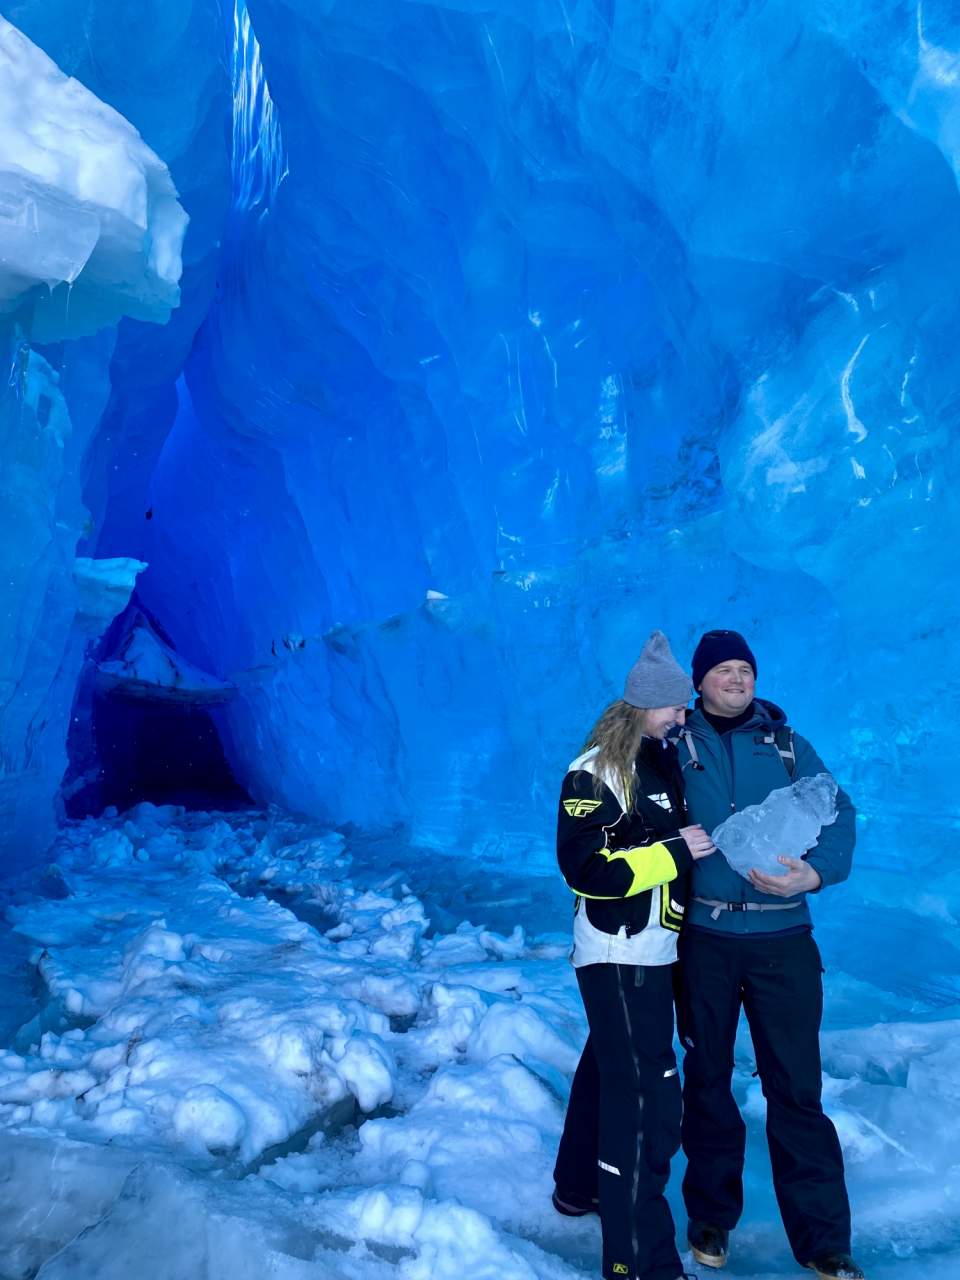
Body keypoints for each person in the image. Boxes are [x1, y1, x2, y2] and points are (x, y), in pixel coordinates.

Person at [675, 629, 864, 1280]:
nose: (736, 678)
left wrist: (813, 876)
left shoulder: (787, 745)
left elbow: (840, 815)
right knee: (707, 1081)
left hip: (783, 940)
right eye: (723, 669)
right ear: (698, 680)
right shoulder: (675, 745)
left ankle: (823, 1242)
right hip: (706, 940)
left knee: (796, 1089)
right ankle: (710, 1217)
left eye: (745, 669)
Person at [552, 630, 715, 1280]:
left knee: (608, 1070)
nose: (684, 714)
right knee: (644, 1099)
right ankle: (638, 1262)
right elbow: (586, 866)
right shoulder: (596, 770)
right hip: (620, 957)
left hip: (652, 952)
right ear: (647, 703)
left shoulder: (658, 759)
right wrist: (676, 852)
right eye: (675, 706)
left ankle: (577, 1187)